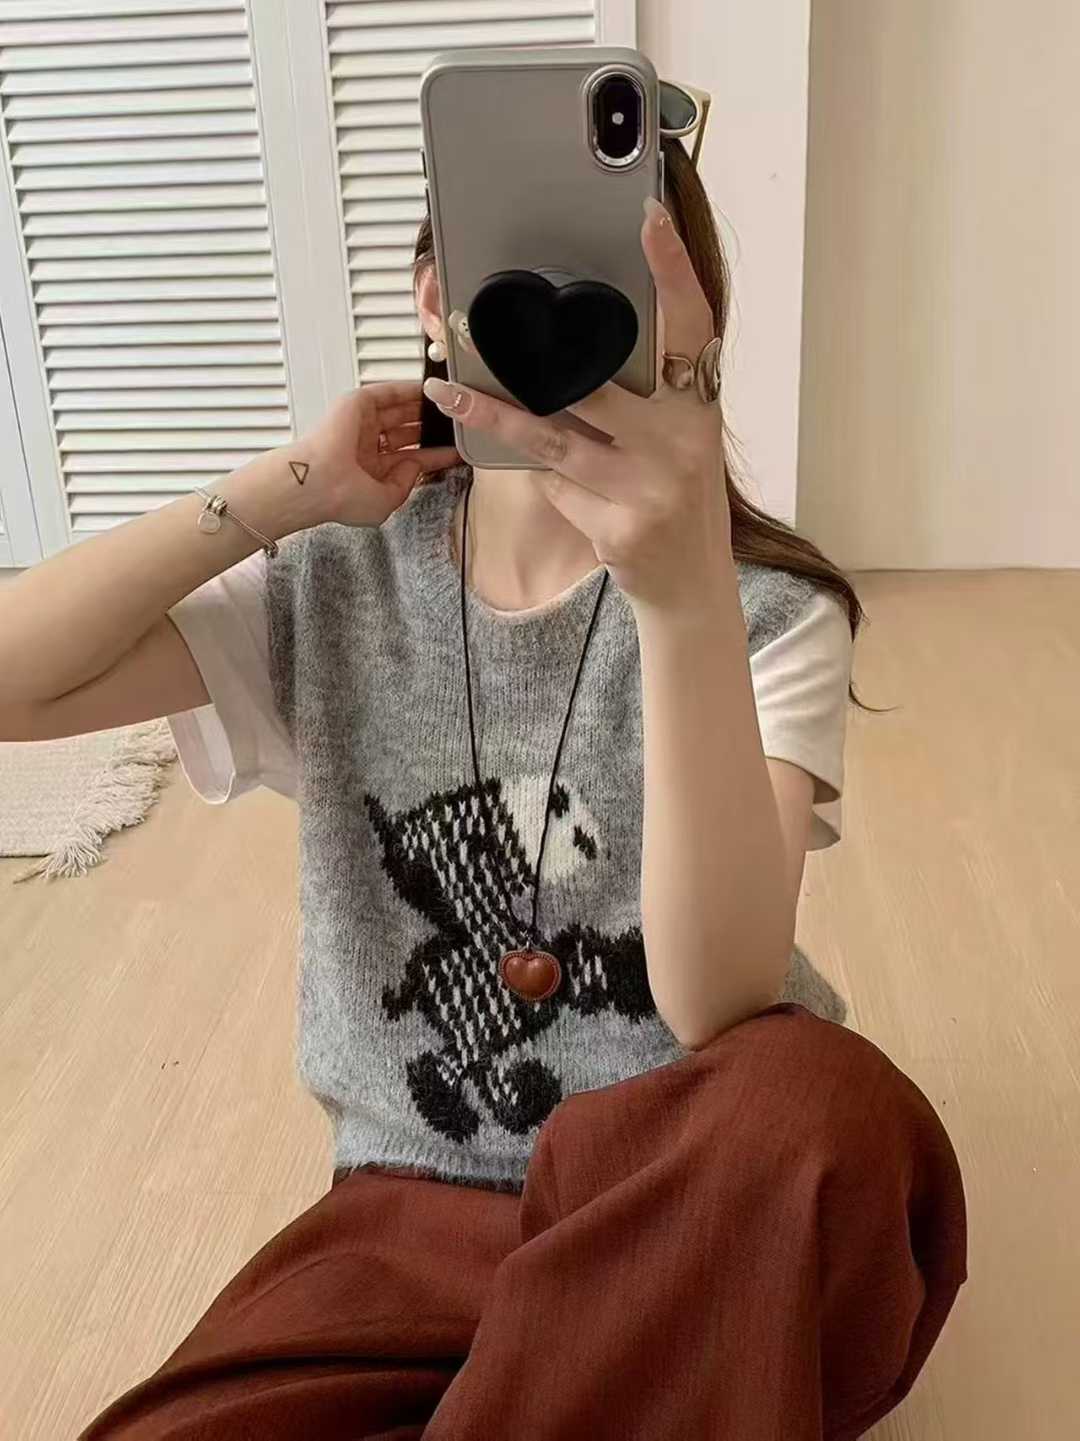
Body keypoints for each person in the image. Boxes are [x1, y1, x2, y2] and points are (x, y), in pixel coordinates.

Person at [0, 133, 965, 1440]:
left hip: (695, 1196)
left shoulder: (767, 614)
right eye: (518, 272)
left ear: (688, 336)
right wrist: (285, 490)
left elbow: (718, 999)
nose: (561, 328)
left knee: (825, 1109)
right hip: (405, 1215)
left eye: (610, 293)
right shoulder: (333, 584)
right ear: (431, 297)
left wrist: (681, 593)